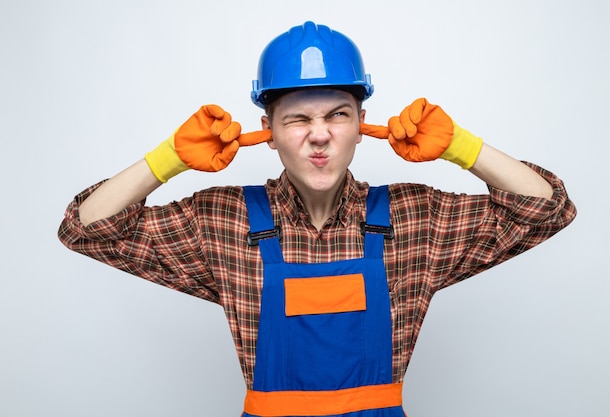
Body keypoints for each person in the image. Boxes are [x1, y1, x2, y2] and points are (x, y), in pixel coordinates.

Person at [58, 21, 576, 417]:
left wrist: (462, 148)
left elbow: (547, 209)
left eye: (337, 114)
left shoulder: (415, 219)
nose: (320, 134)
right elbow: (86, 229)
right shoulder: (222, 221)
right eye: (298, 118)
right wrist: (167, 158)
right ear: (268, 130)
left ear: (361, 125)